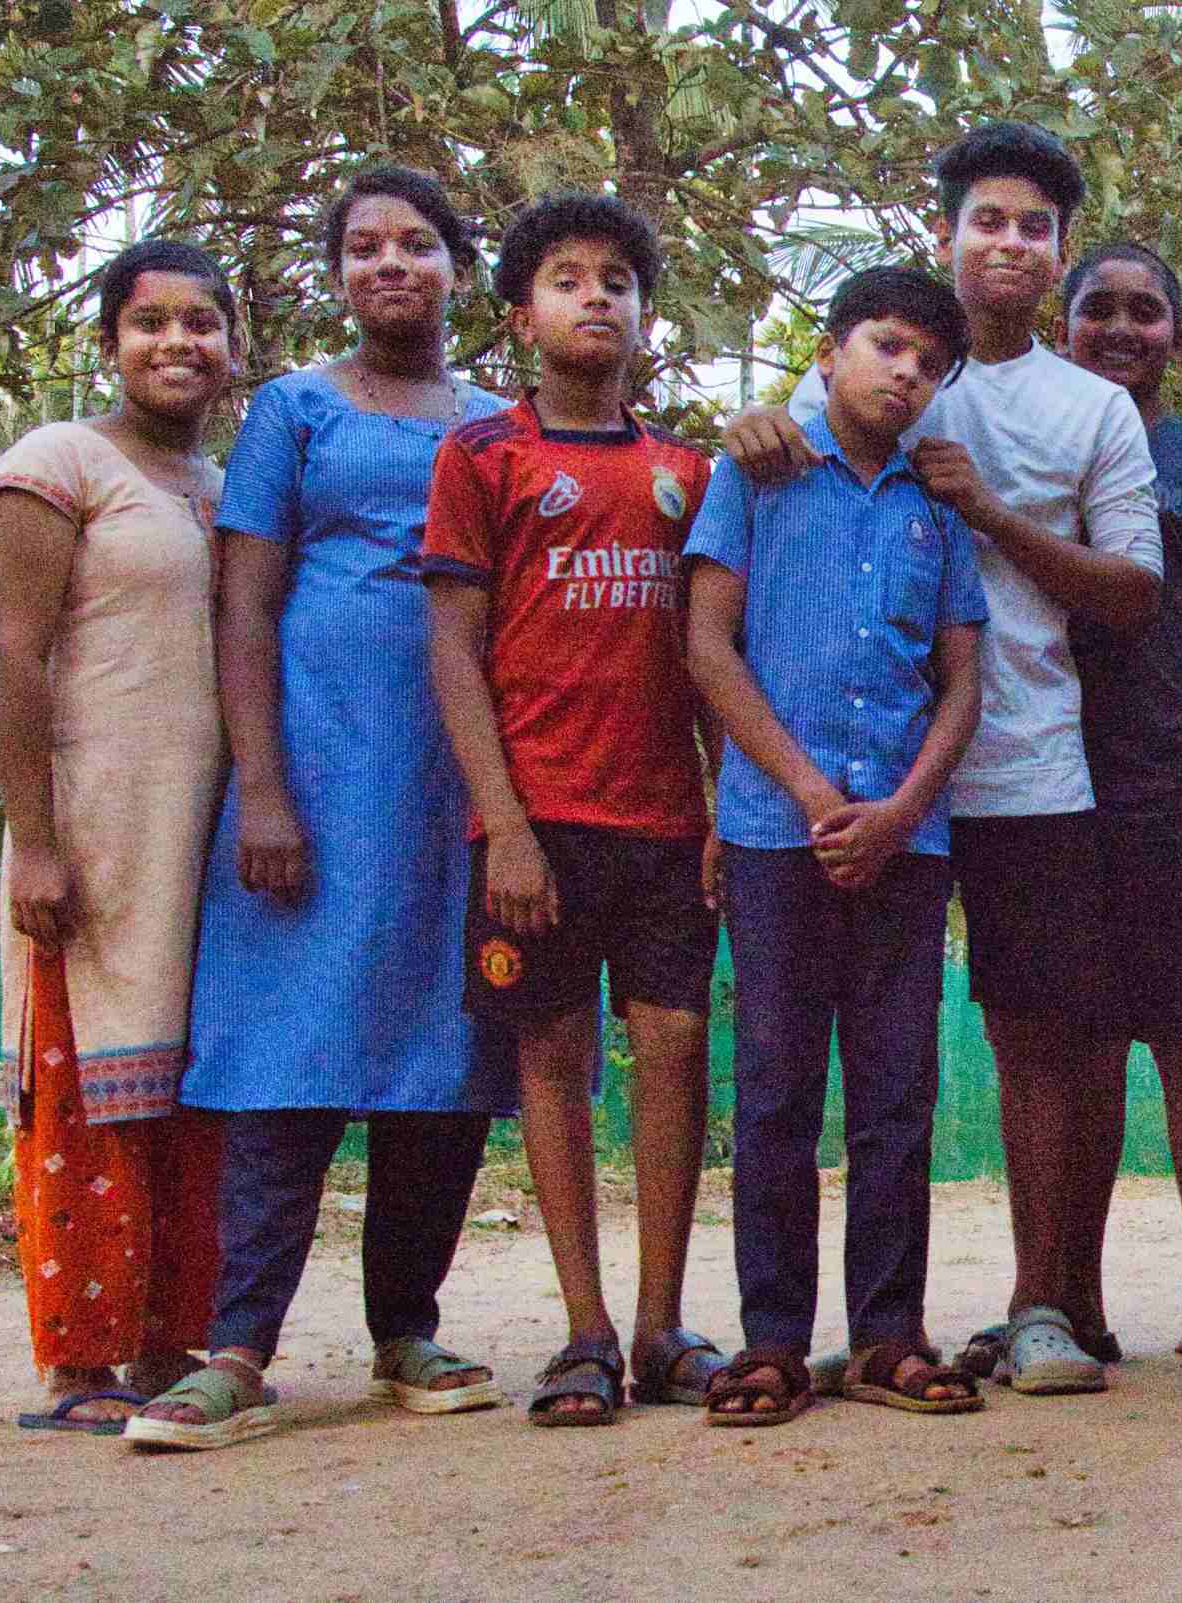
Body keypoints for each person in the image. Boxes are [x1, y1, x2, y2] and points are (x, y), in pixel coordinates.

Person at [721, 121, 1161, 1395]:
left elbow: (1133, 592)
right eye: (988, 220)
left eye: (1035, 226)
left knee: (1037, 1037)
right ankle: (808, 1330)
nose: (1009, 243)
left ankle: (1040, 1303)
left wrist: (988, 508)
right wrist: (745, 425)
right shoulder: (870, 370)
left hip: (1023, 761)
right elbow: (756, 496)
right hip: (847, 794)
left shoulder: (1092, 409)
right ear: (946, 235)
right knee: (811, 1073)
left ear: (1059, 251)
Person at [134, 167, 517, 1451]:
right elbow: (244, 605)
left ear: (459, 268)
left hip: (458, 782)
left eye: (416, 243)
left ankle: (407, 1330)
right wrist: (264, 789)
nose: (389, 264)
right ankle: (239, 1351)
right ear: (339, 272)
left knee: (442, 1058)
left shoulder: (501, 424)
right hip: (314, 772)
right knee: (282, 1055)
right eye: (363, 246)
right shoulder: (295, 412)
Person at [421, 192, 723, 1425]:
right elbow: (453, 651)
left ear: (646, 315)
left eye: (617, 280)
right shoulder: (483, 457)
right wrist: (503, 823)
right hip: (538, 825)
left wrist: (721, 807)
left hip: (667, 826)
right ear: (519, 316)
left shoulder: (688, 473)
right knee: (552, 1057)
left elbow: (712, 656)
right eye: (566, 278)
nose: (595, 296)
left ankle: (661, 1326)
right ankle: (585, 1331)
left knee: (675, 1049)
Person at [683, 266, 988, 1424]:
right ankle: (771, 1340)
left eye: (928, 363)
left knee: (897, 1095)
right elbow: (709, 648)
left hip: (908, 845)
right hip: (776, 835)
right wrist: (813, 793)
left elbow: (963, 681)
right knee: (774, 1091)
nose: (905, 372)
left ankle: (887, 1335)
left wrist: (903, 810)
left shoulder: (937, 505)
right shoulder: (755, 475)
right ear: (828, 353)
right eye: (886, 346)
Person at [0, 242, 237, 1437]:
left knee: (189, 1092)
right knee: (88, 1088)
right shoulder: (58, 463)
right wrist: (35, 839)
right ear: (108, 343)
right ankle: (81, 1362)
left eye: (202, 322)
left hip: (200, 837)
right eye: (150, 322)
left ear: (234, 347)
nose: (177, 342)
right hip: (90, 829)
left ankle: (167, 1344)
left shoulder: (223, 486)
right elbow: (11, 649)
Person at [1057, 242, 1182, 1381]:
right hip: (1047, 784)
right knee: (1074, 1043)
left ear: (1174, 340)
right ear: (1064, 326)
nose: (1122, 328)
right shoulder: (1024, 442)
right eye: (1100, 308)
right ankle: (1066, 1300)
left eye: (1146, 311)